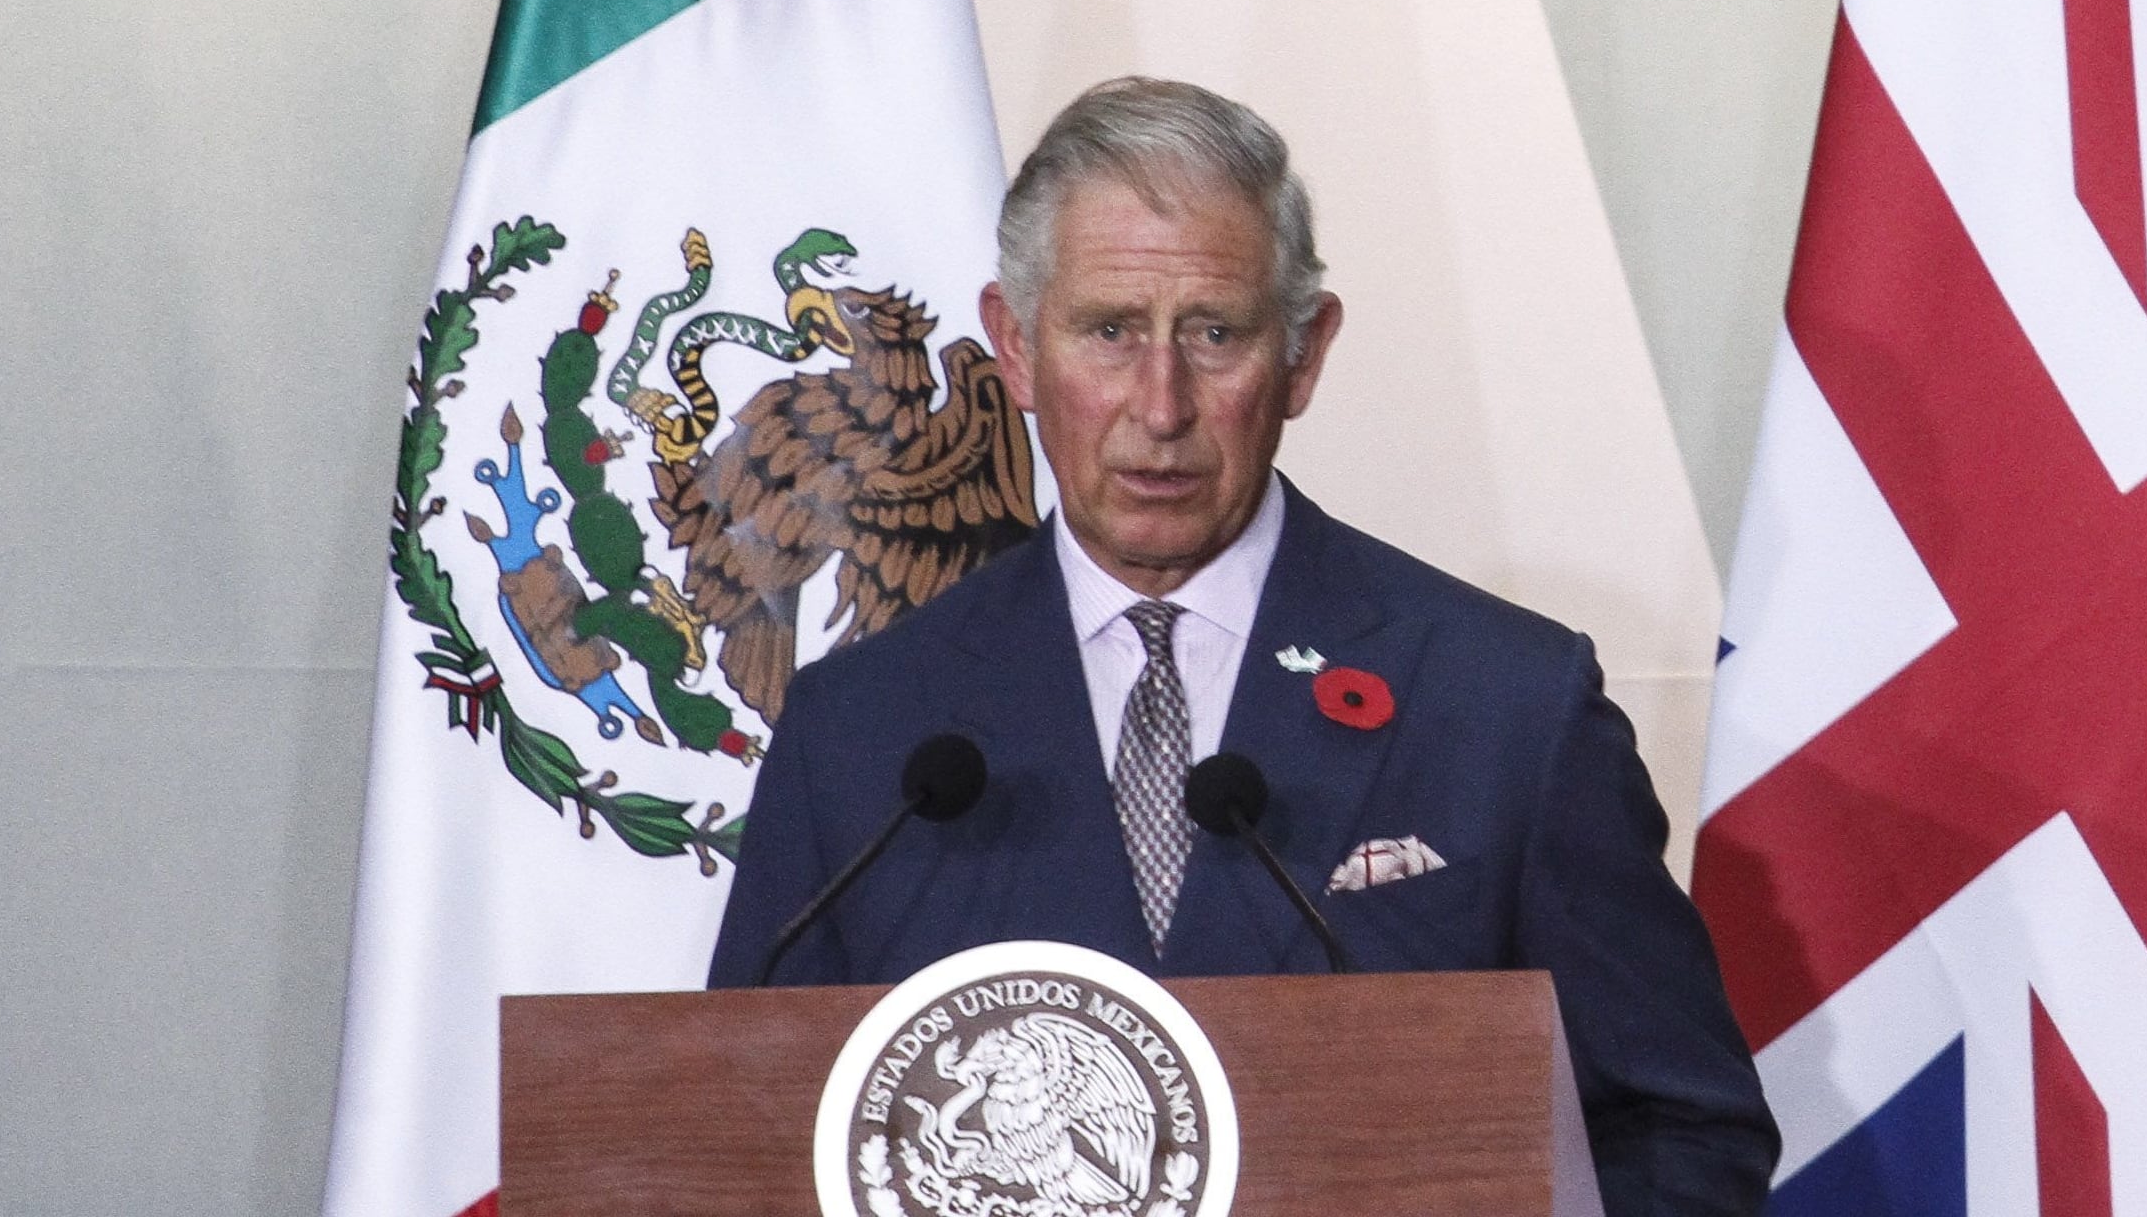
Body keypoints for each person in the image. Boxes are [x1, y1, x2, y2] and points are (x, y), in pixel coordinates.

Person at [709, 76, 1779, 1213]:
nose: (1158, 405)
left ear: (1302, 356)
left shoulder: (1503, 706)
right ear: (1015, 351)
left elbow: (1679, 1138)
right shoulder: (866, 735)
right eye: (1108, 332)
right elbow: (737, 1139)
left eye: (1213, 335)